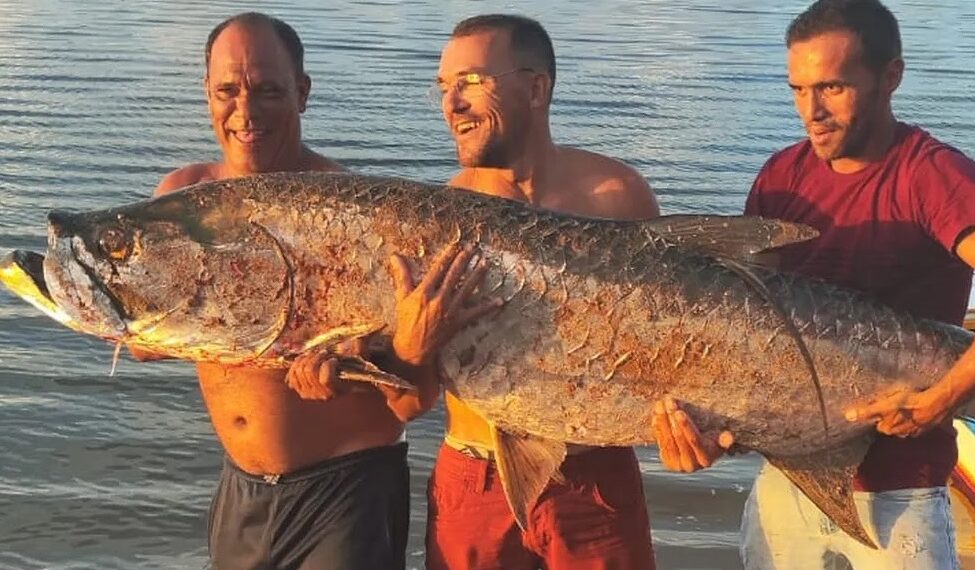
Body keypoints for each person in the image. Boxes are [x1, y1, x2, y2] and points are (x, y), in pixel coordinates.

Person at [132, 12, 495, 570]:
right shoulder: (183, 197)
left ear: (302, 92)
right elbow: (140, 335)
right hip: (241, 490)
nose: (245, 112)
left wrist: (359, 371)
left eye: (268, 91)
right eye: (227, 91)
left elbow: (414, 400)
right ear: (207, 92)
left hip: (346, 494)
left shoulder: (357, 215)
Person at [653, 1, 975, 568]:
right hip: (788, 478)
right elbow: (747, 326)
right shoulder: (782, 177)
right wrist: (705, 428)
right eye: (798, 90)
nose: (812, 111)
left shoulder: (931, 175)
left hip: (900, 489)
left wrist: (938, 402)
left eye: (832, 87)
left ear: (891, 76)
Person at [426, 14, 661, 570]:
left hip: (594, 474)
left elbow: (663, 338)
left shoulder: (617, 195)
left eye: (472, 80)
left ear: (536, 89)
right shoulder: (441, 216)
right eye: (443, 86)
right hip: (475, 471)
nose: (451, 103)